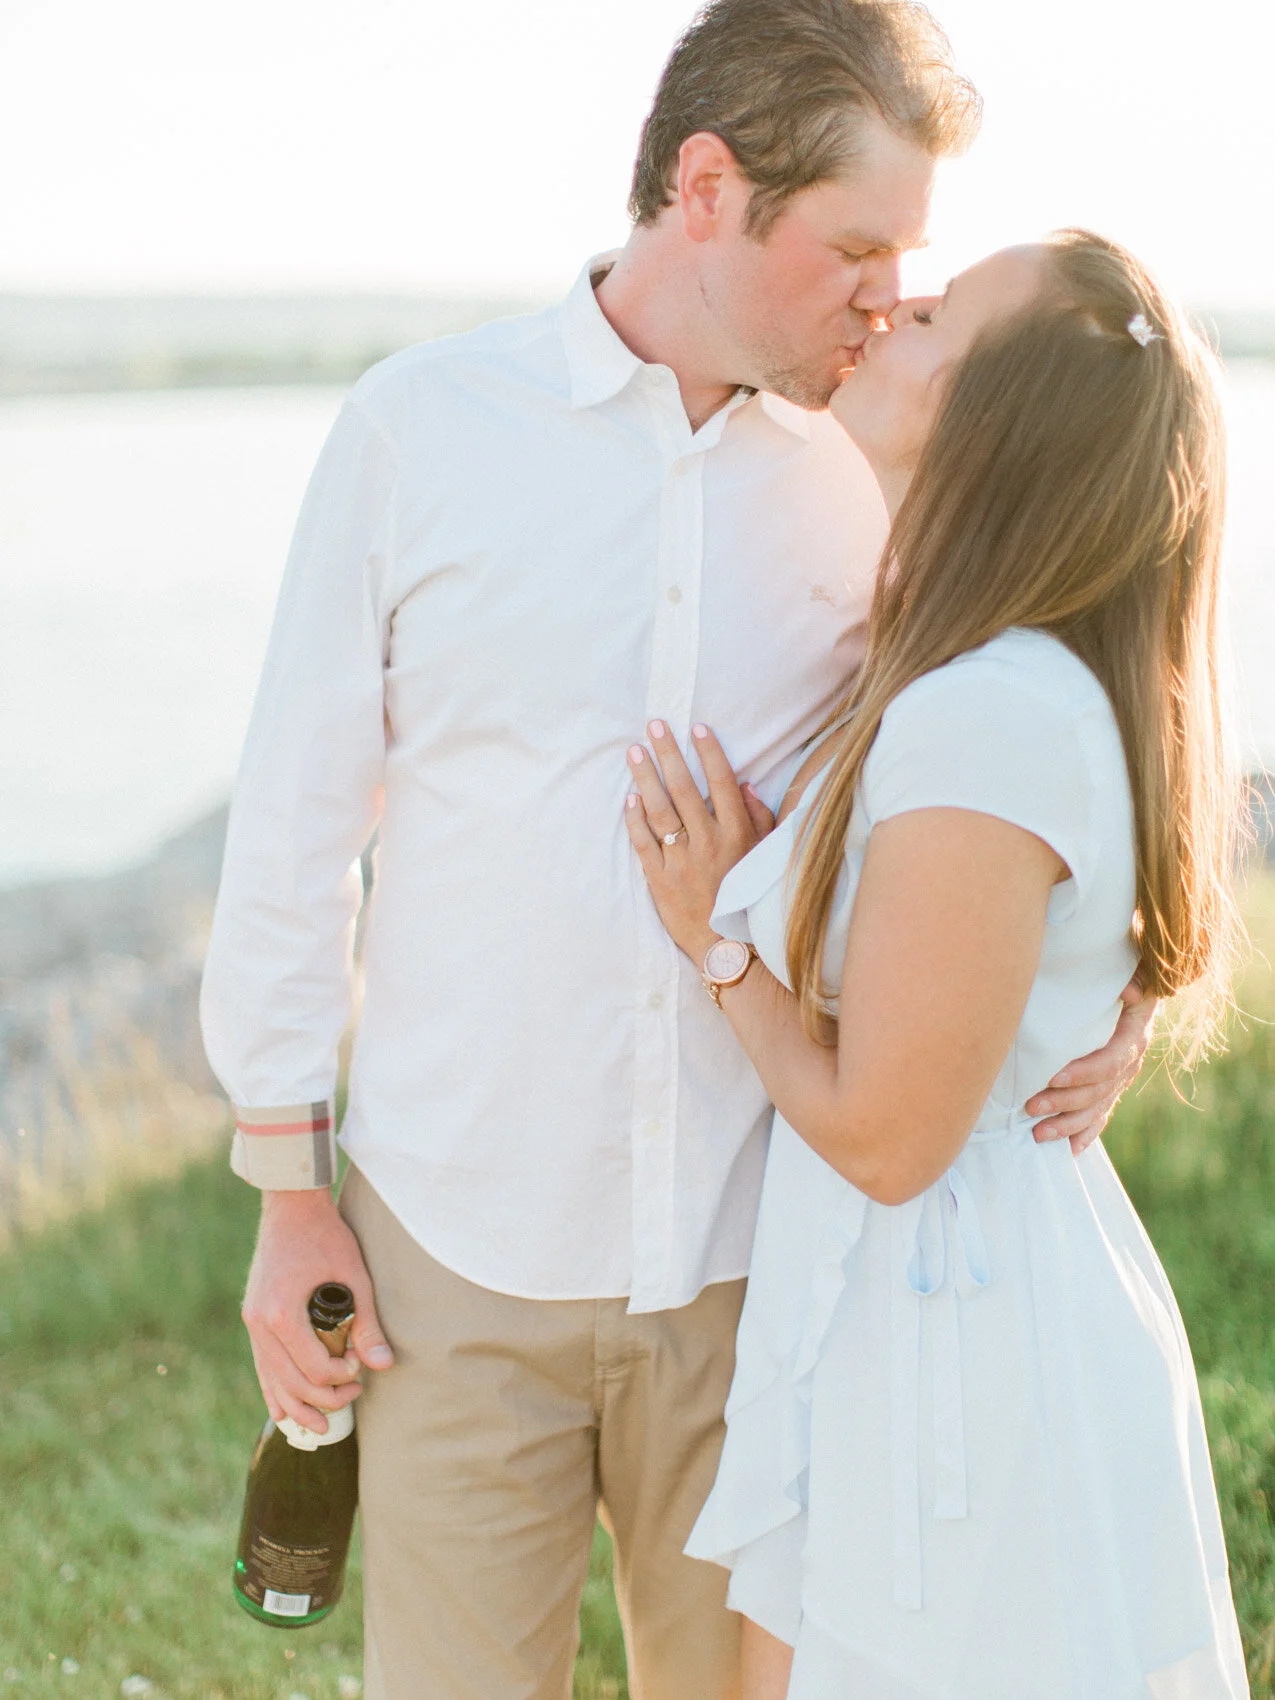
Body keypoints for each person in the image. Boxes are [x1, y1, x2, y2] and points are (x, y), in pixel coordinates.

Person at [200, 4, 1155, 1694]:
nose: (883, 298)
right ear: (705, 188)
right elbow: (291, 828)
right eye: (854, 247)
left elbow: (1080, 700)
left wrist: (1125, 980)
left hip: (753, 1264)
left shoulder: (890, 462)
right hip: (454, 1254)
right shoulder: (420, 431)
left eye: (906, 263)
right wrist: (288, 1188)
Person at [623, 230, 1248, 1698]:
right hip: (919, 1309)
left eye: (936, 314)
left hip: (952, 1349)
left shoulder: (987, 713)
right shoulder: (982, 673)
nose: (891, 305)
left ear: (996, 419)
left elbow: (888, 1137)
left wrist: (717, 939)